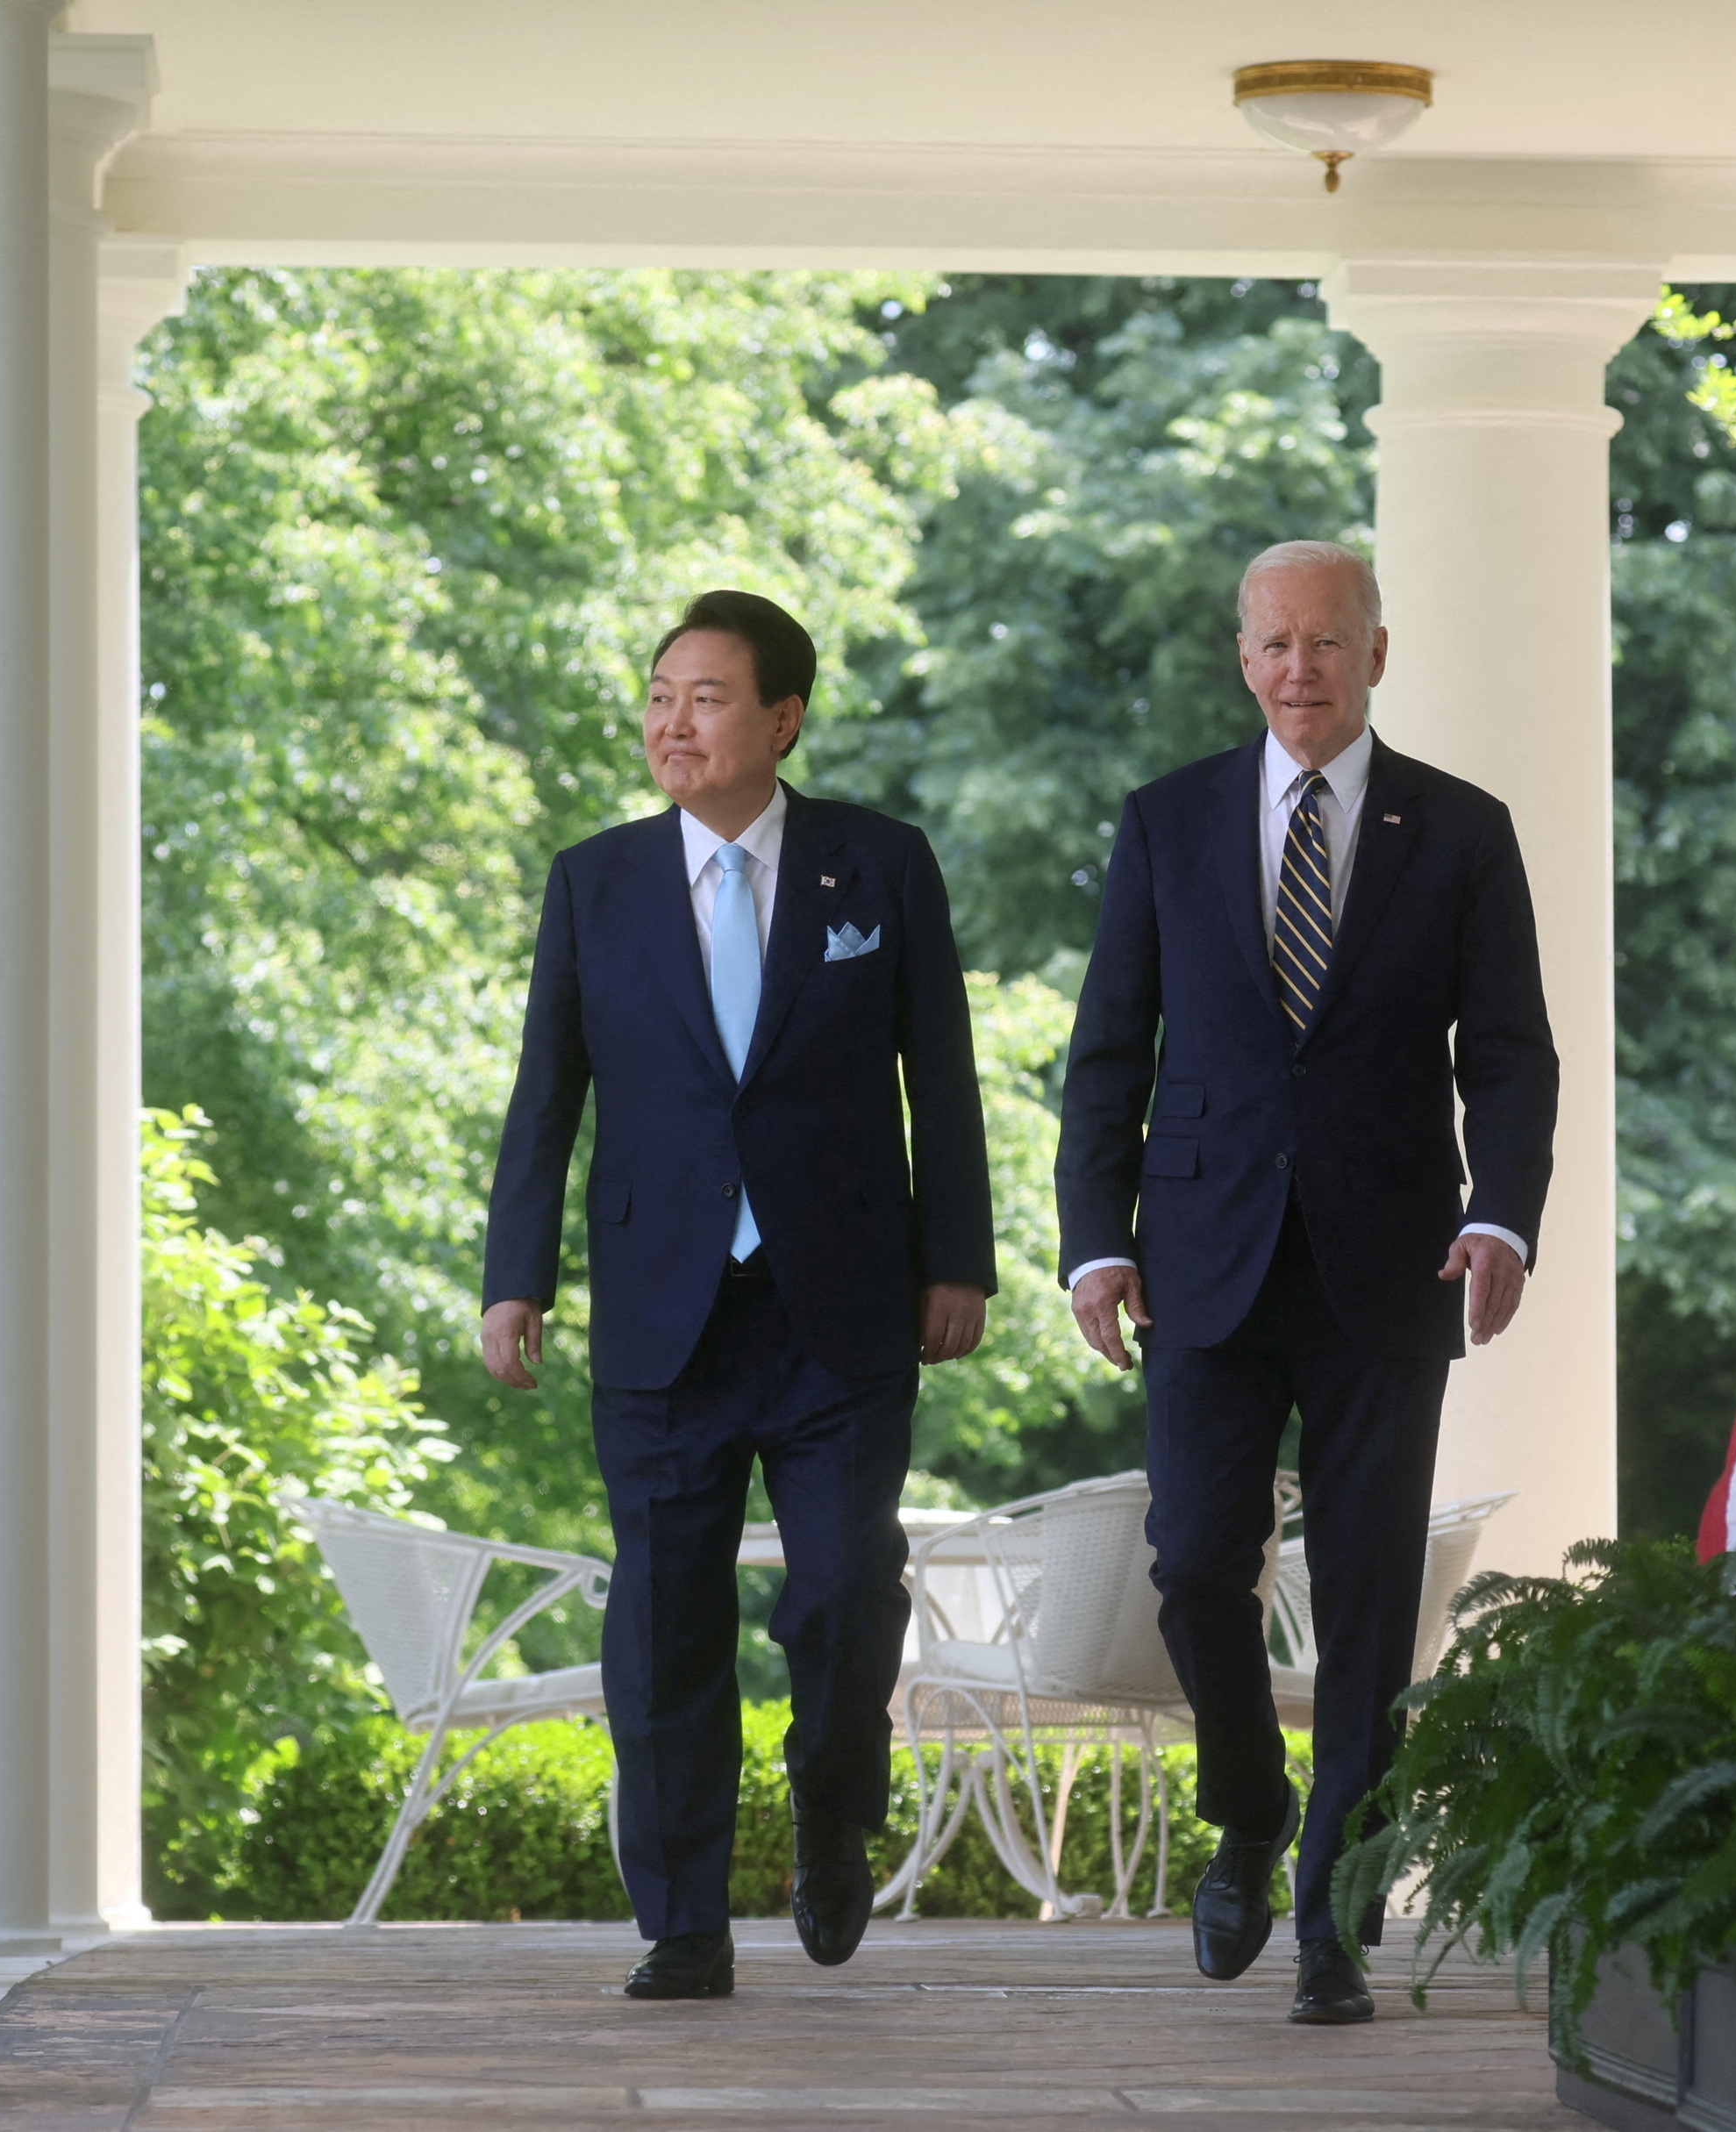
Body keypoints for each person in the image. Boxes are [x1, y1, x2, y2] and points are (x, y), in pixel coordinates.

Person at [1054, 540, 1558, 2025]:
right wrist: (1096, 1235)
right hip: (1201, 1261)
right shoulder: (1168, 823)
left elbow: (1512, 1055)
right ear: (1242, 656)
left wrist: (1504, 1219)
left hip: (1386, 1263)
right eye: (1273, 644)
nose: (1299, 669)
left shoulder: (1461, 831)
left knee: (1366, 1595)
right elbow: (1108, 1051)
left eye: (1326, 643)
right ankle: (1250, 1802)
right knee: (1197, 1559)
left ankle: (1333, 1906)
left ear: (1377, 653)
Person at [480, 589, 994, 2000]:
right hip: (661, 1309)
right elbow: (547, 1095)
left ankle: (834, 1803)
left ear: (782, 717)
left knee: (840, 1590)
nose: (670, 720)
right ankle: (685, 1919)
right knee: (662, 1621)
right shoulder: (595, 882)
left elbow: (938, 1077)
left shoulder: (878, 868)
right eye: (658, 695)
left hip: (842, 1305)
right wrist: (513, 1275)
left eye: (704, 696)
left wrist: (960, 1258)